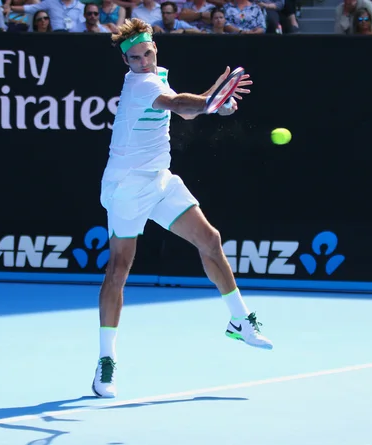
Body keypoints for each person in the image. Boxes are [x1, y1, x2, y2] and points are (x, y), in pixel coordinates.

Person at [92, 18, 273, 399]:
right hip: (126, 188)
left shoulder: (156, 75)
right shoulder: (141, 84)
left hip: (159, 181)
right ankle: (106, 360)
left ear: (154, 48)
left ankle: (240, 320)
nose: (141, 61)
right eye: (134, 58)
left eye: (146, 53)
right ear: (126, 62)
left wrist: (212, 107)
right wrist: (210, 100)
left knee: (210, 239)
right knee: (119, 268)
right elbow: (180, 106)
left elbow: (182, 110)